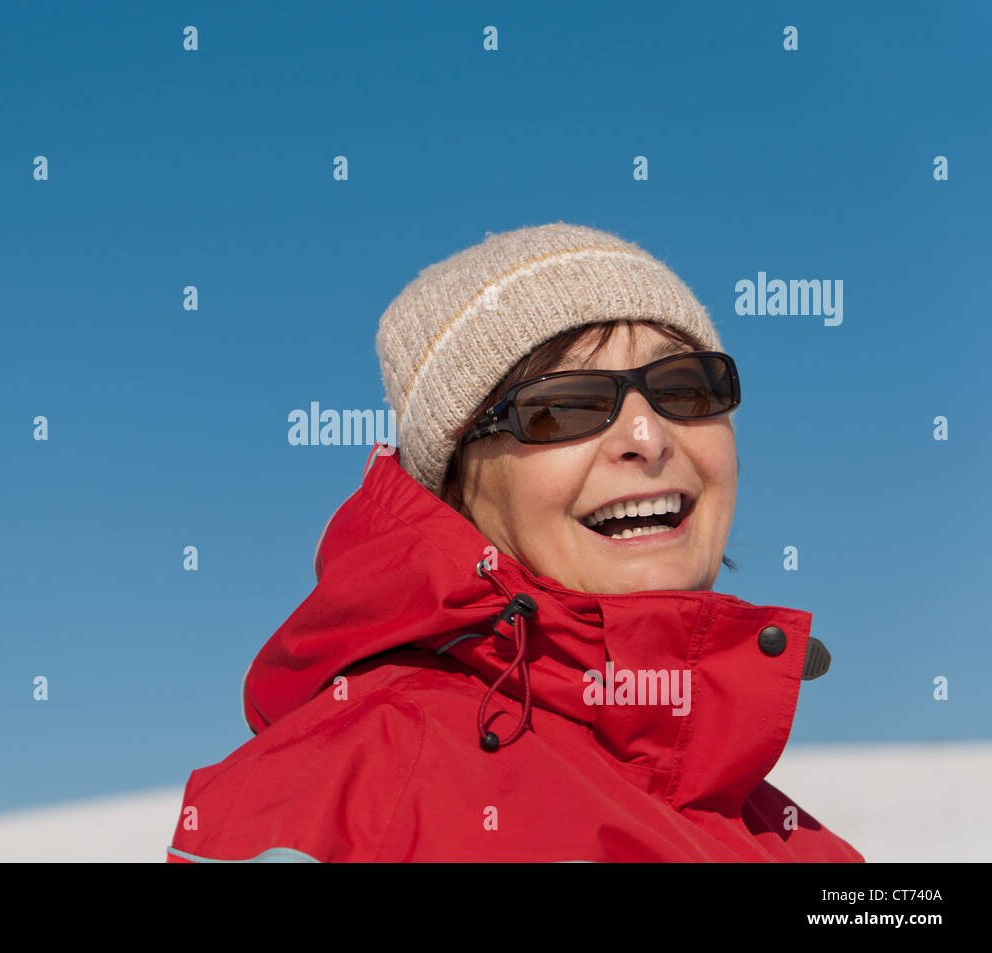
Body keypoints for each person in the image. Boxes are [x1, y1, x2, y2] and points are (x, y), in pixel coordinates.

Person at [166, 222, 864, 862]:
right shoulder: (352, 792)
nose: (648, 439)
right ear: (456, 480)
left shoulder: (801, 845)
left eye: (685, 389)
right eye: (562, 408)